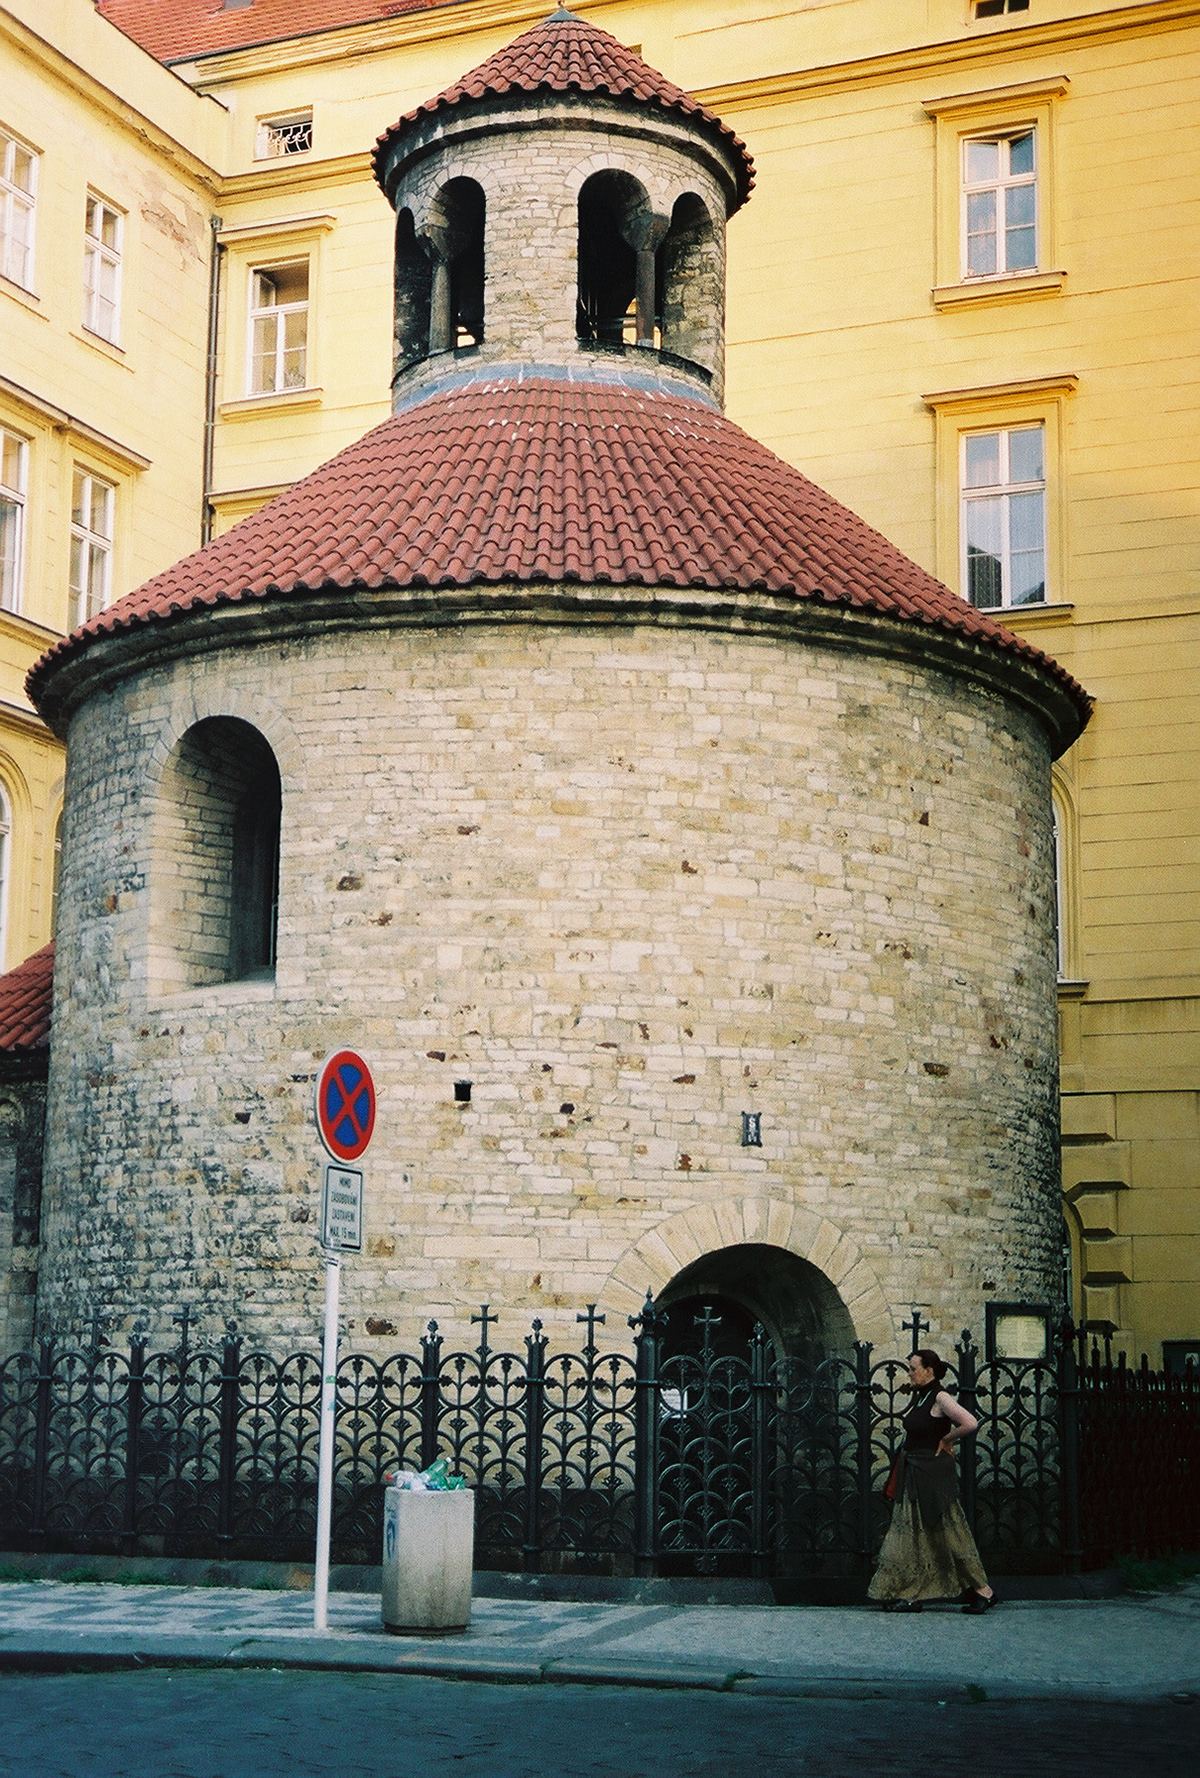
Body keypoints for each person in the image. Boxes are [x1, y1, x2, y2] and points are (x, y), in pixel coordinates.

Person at [867, 1347, 996, 1614]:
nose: (909, 1373)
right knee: (915, 1535)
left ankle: (984, 1590)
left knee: (948, 1529)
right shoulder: (925, 1394)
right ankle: (911, 1593)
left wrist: (947, 1439)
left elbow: (970, 1422)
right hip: (915, 1473)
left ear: (929, 1370)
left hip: (932, 1474)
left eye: (913, 1368)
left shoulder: (940, 1396)